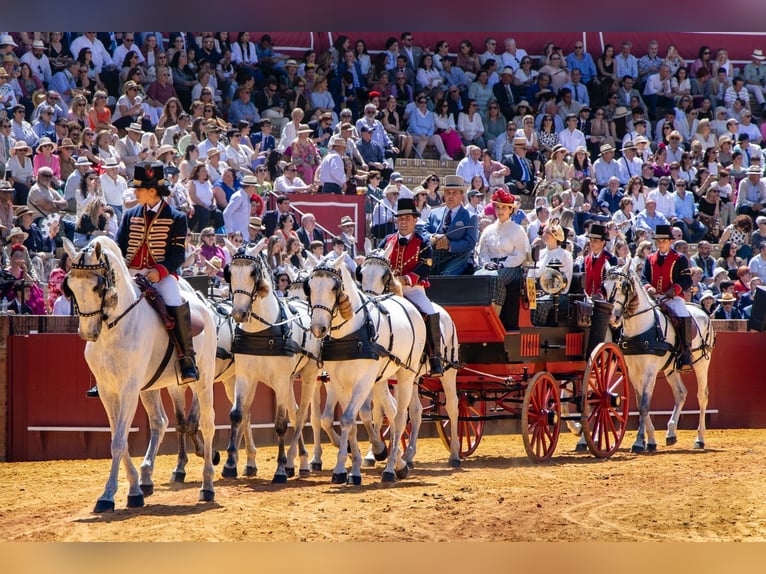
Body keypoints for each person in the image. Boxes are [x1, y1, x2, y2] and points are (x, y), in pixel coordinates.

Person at [116, 161, 198, 383]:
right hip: (131, 275)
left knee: (174, 299)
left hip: (159, 276)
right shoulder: (129, 215)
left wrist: (159, 271)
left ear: (152, 191)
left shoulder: (177, 218)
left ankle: (186, 360)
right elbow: (119, 247)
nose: (135, 192)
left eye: (139, 189)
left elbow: (178, 255)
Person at [381, 197, 444, 375]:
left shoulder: (423, 242)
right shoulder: (387, 240)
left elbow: (425, 267)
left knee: (430, 312)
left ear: (415, 220)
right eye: (400, 219)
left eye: (407, 218)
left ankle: (435, 358)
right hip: (388, 291)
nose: (403, 222)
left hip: (413, 289)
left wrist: (405, 279)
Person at [475, 188, 530, 330]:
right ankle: (478, 314)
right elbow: (482, 251)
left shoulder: (518, 230)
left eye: (504, 208)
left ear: (511, 210)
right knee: (477, 276)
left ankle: (494, 319)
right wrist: (486, 263)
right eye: (498, 207)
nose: (500, 211)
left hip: (511, 268)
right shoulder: (488, 229)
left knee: (496, 278)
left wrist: (503, 264)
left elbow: (520, 254)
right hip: (490, 266)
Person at [641, 224, 694, 372]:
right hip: (654, 297)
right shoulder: (650, 258)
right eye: (659, 241)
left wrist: (675, 289)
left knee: (682, 313)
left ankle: (686, 353)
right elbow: (644, 278)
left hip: (673, 297)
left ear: (670, 241)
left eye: (664, 240)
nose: (661, 243)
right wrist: (648, 288)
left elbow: (687, 280)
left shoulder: (680, 258)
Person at [426, 175, 478, 276]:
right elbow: (423, 232)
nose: (450, 196)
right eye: (448, 192)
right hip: (434, 255)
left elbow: (470, 243)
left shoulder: (470, 217)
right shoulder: (434, 213)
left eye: (454, 193)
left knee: (446, 276)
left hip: (459, 257)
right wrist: (432, 237)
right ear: (444, 195)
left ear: (461, 195)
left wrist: (449, 245)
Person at [583, 223, 618, 297]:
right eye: (591, 240)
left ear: (603, 242)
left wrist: (600, 294)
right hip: (586, 300)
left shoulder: (611, 259)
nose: (592, 243)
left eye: (595, 240)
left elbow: (612, 282)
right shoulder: (586, 259)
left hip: (603, 301)